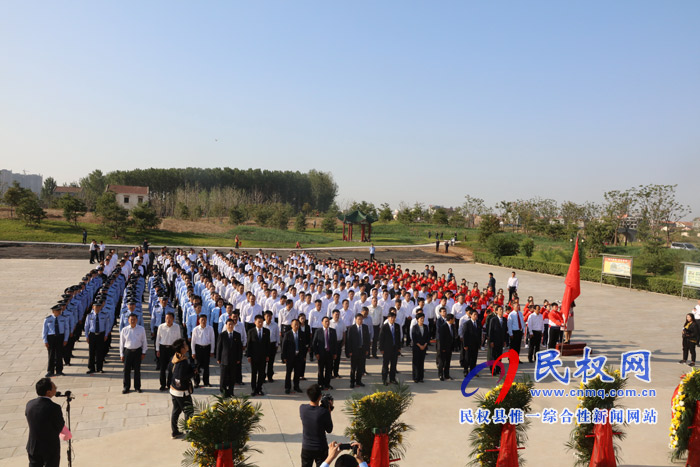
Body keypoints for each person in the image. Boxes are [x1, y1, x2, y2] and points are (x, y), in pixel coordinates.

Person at [26, 378, 65, 467]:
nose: (56, 389)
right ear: (48, 392)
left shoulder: (30, 404)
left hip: (33, 445)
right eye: (54, 387)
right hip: (49, 447)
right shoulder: (54, 407)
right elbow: (59, 426)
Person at [300, 384, 334, 467]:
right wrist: (328, 411)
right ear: (320, 397)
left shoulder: (302, 408)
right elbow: (329, 429)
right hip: (320, 448)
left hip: (306, 447)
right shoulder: (323, 412)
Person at [168, 338, 195, 439]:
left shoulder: (174, 357)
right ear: (182, 348)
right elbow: (182, 377)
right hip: (181, 392)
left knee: (176, 410)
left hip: (174, 390)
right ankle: (189, 432)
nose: (187, 346)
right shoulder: (182, 362)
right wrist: (193, 372)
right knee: (189, 411)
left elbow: (170, 371)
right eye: (185, 345)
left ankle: (175, 432)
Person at [119, 313, 148, 394]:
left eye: (134, 319)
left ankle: (137, 387)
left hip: (137, 351)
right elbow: (121, 343)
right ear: (128, 320)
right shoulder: (124, 330)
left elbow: (144, 341)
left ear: (137, 320)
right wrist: (121, 354)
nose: (132, 321)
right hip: (128, 351)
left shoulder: (141, 329)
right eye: (131, 319)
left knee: (137, 370)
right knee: (126, 371)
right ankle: (126, 387)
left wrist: (144, 352)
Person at [217, 318, 243, 397]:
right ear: (226, 325)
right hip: (224, 359)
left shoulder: (237, 335)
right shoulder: (222, 335)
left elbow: (239, 348)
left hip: (234, 360)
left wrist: (239, 358)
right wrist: (218, 358)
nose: (231, 326)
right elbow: (219, 347)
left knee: (232, 377)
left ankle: (231, 392)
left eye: (232, 324)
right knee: (223, 377)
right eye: (229, 324)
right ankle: (223, 392)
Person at [156, 311, 181, 391]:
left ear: (173, 319)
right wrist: (157, 349)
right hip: (163, 348)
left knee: (172, 368)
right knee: (162, 368)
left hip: (172, 349)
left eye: (170, 318)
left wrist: (178, 351)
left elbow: (178, 339)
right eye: (167, 318)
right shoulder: (161, 327)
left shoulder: (177, 327)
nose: (168, 320)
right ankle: (162, 385)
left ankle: (170, 384)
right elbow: (158, 339)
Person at [246, 314, 270, 396]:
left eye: (261, 322)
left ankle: (259, 388)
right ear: (255, 322)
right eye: (258, 322)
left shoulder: (267, 331)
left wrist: (267, 355)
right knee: (254, 373)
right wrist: (248, 355)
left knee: (261, 373)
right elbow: (249, 344)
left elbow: (268, 344)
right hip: (254, 356)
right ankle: (253, 389)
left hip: (263, 356)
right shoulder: (251, 331)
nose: (260, 323)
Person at [43, 304, 69, 377]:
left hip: (60, 337)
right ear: (53, 311)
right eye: (57, 311)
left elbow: (67, 329)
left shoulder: (64, 318)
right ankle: (50, 370)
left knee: (59, 354)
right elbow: (44, 331)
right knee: (51, 355)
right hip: (51, 337)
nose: (59, 312)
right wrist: (45, 341)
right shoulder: (48, 319)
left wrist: (66, 339)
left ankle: (59, 370)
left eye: (60, 310)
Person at [191, 314, 215, 388]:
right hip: (198, 349)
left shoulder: (210, 328)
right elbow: (193, 341)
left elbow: (212, 340)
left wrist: (212, 351)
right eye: (202, 320)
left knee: (206, 367)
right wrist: (193, 352)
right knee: (197, 366)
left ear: (206, 320)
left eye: (204, 319)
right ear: (199, 321)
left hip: (206, 349)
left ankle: (206, 382)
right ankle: (196, 382)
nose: (203, 321)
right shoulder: (195, 329)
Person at [281, 318, 305, 394]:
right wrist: (284, 357)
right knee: (288, 373)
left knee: (297, 373)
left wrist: (304, 356)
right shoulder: (287, 334)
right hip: (290, 357)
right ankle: (287, 387)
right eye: (295, 324)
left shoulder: (302, 334)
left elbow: (304, 346)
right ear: (291, 325)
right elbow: (283, 346)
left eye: (298, 324)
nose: (296, 326)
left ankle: (296, 386)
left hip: (298, 356)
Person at [313, 317, 337, 390]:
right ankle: (320, 384)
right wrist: (316, 353)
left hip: (329, 353)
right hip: (321, 354)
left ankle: (327, 384)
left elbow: (335, 343)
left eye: (328, 321)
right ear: (322, 322)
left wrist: (335, 353)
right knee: (321, 370)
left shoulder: (333, 331)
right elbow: (314, 343)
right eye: (325, 321)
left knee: (329, 370)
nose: (327, 323)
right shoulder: (318, 331)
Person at [346, 313, 370, 388]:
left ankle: (358, 381)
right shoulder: (351, 328)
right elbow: (348, 340)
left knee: (360, 367)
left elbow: (367, 339)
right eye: (359, 319)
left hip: (362, 350)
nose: (360, 321)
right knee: (353, 368)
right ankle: (352, 382)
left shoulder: (365, 327)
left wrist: (367, 349)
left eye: (361, 319)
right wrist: (349, 351)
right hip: (354, 351)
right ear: (356, 319)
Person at [378, 312, 401, 385]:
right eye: (391, 317)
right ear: (388, 318)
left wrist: (399, 347)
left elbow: (398, 337)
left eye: (394, 317)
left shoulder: (397, 326)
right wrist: (381, 348)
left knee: (393, 365)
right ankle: (384, 379)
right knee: (385, 365)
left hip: (395, 348)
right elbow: (381, 338)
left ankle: (392, 378)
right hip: (387, 349)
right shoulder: (384, 327)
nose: (392, 319)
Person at [487, 306, 507, 375]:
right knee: (493, 355)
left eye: (502, 309)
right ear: (496, 311)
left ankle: (498, 369)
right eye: (500, 310)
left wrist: (505, 341)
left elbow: (505, 331)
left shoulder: (504, 319)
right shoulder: (493, 320)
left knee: (499, 356)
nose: (501, 311)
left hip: (501, 340)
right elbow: (490, 331)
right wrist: (491, 341)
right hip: (494, 340)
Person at [437, 313, 456, 381]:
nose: (454, 320)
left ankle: (447, 375)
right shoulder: (443, 327)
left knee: (448, 362)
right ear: (450, 319)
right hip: (443, 348)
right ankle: (440, 375)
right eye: (453, 319)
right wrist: (443, 348)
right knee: (442, 362)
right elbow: (441, 339)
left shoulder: (452, 326)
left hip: (449, 347)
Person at [411, 313, 429, 382]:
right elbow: (414, 338)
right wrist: (419, 345)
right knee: (416, 362)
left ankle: (421, 377)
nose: (422, 320)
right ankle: (415, 377)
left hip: (423, 347)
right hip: (416, 347)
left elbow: (427, 337)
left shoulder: (426, 327)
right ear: (417, 319)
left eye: (423, 318)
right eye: (421, 318)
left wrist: (424, 345)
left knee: (421, 362)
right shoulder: (415, 327)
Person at [462, 309, 481, 376]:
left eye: (476, 315)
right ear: (470, 315)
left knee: (474, 358)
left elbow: (479, 334)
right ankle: (465, 370)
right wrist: (465, 344)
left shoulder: (478, 323)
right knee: (467, 358)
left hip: (475, 344)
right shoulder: (467, 324)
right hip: (469, 344)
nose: (476, 316)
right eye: (474, 315)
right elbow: (465, 335)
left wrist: (479, 343)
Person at [263, 310, 280, 382]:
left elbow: (277, 336)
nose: (269, 317)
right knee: (263, 362)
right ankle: (262, 377)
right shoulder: (262, 324)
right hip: (264, 345)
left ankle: (270, 376)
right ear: (264, 317)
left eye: (270, 316)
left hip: (272, 344)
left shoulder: (275, 325)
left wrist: (277, 344)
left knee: (271, 362)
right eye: (267, 316)